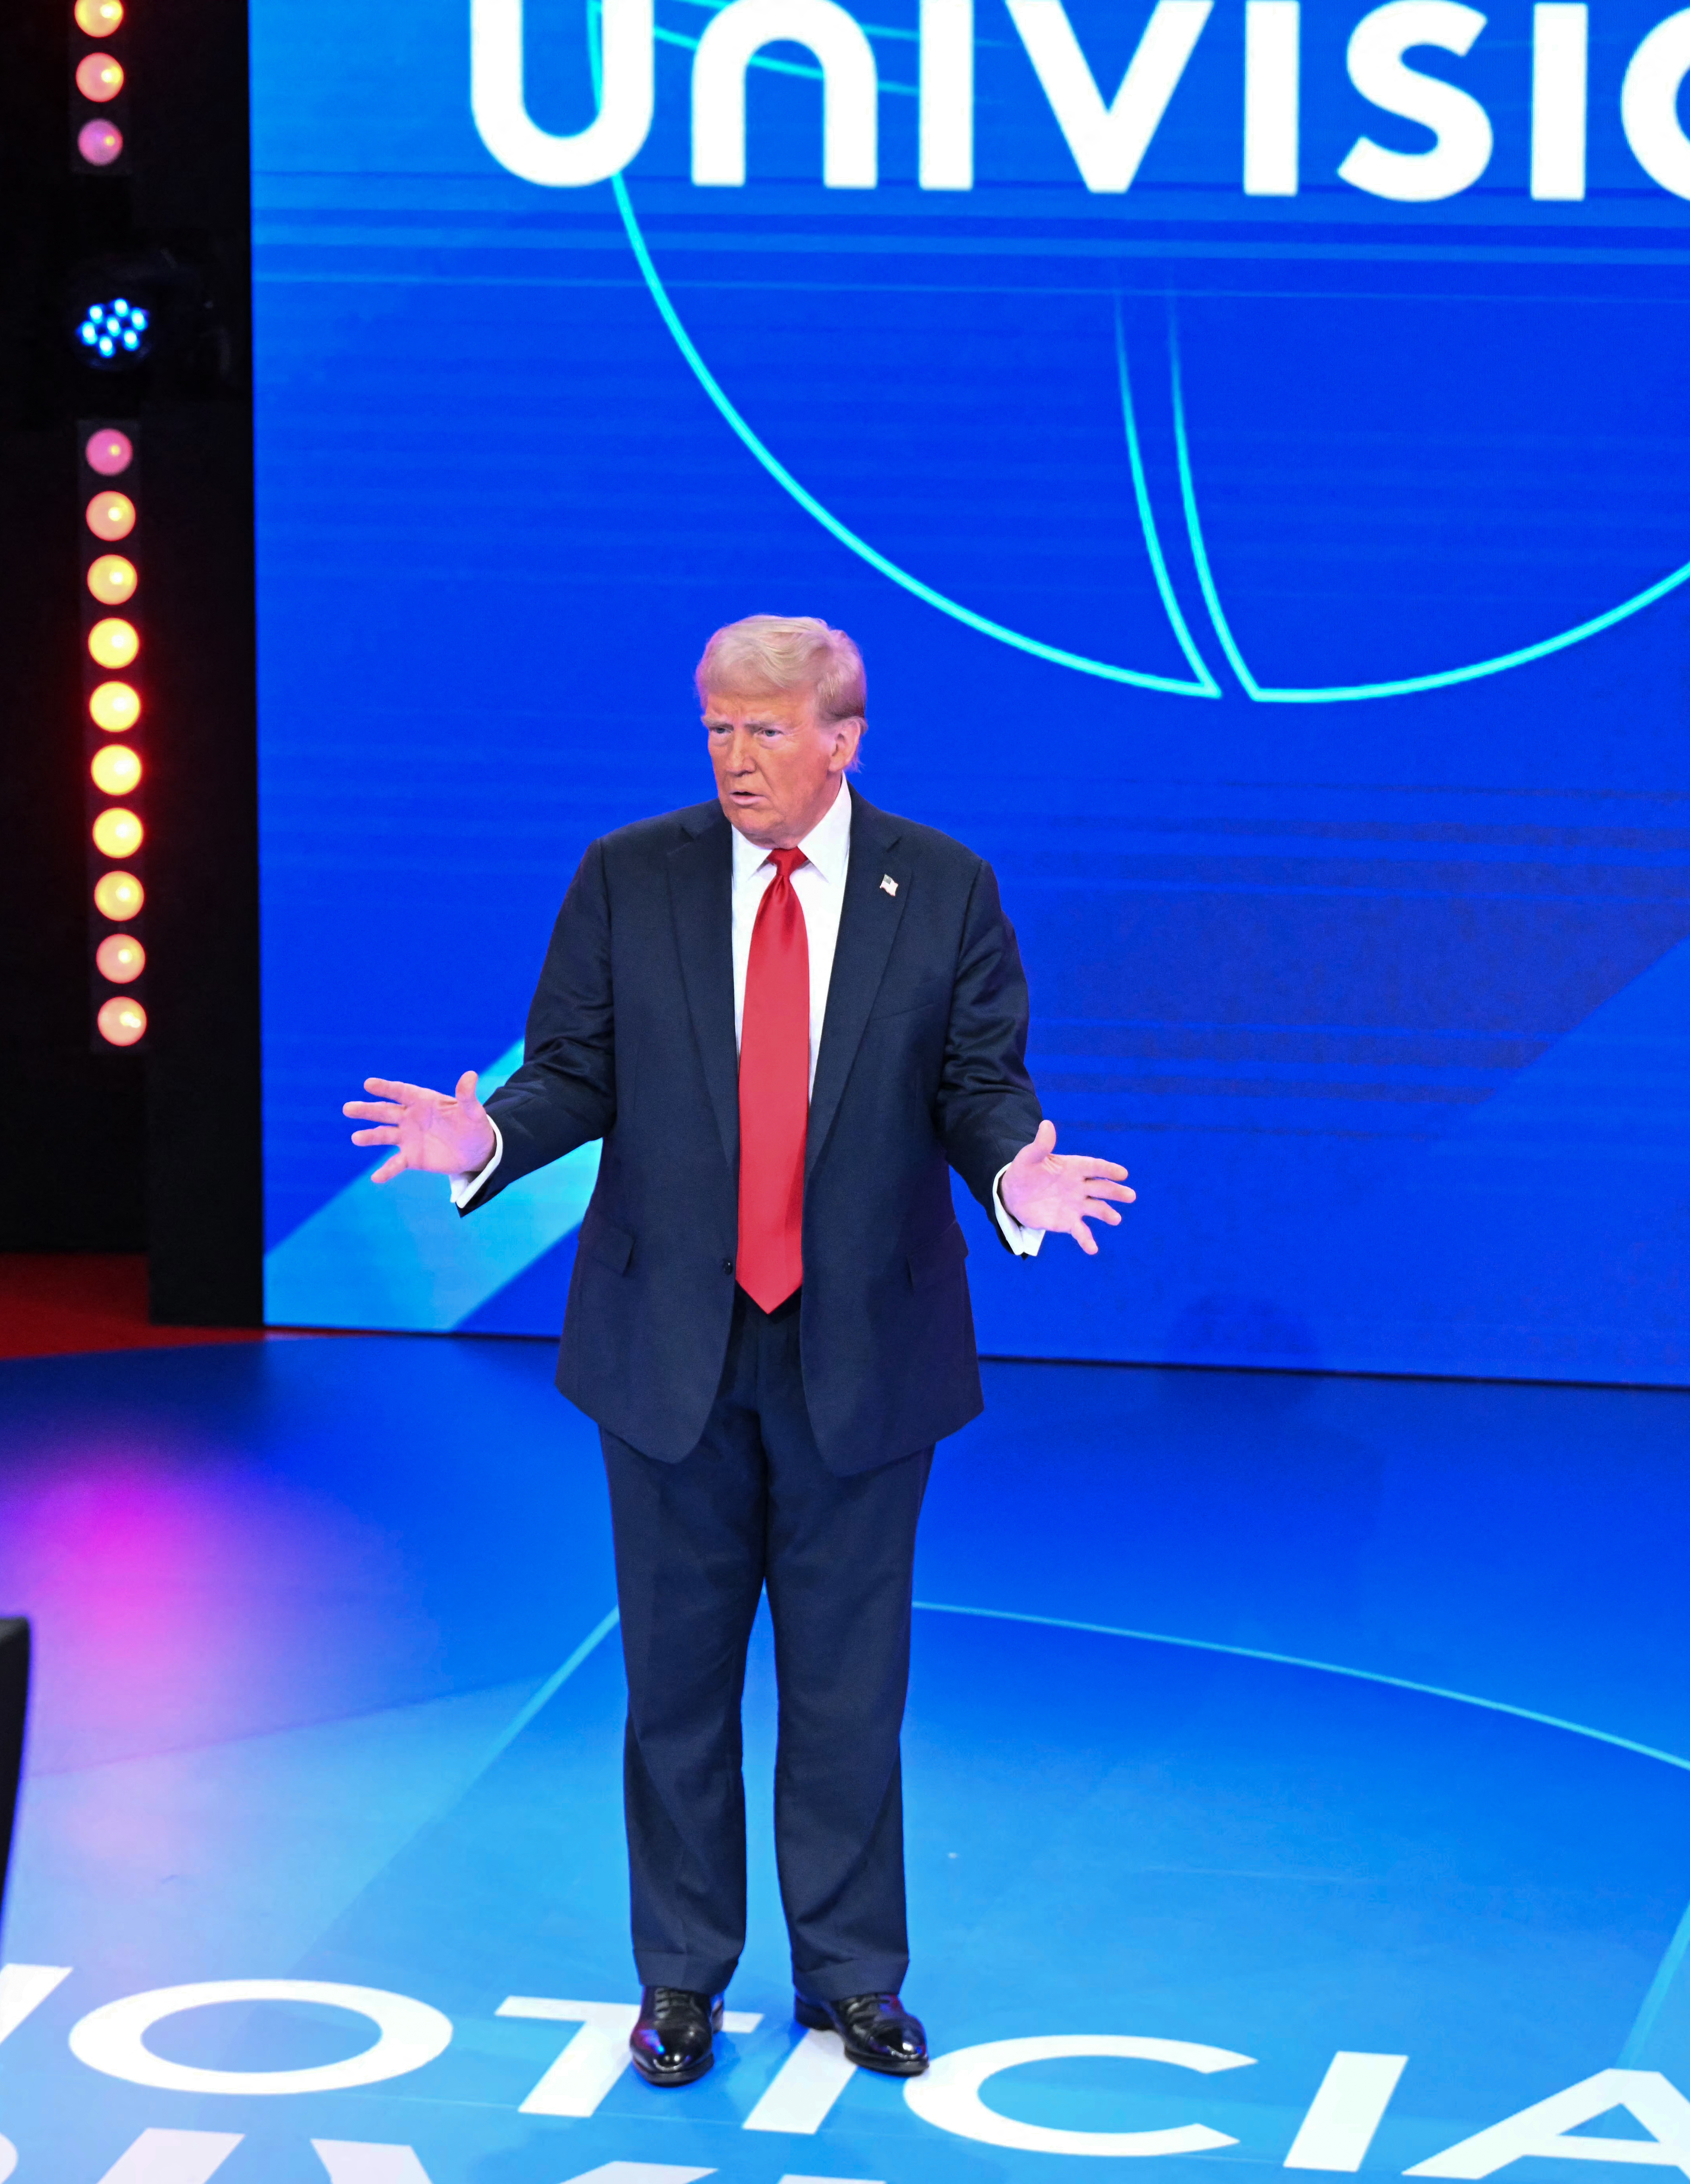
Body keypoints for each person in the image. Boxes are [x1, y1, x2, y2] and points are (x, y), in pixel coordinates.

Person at [345, 615, 1133, 2089]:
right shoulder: (628, 873)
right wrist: (485, 1138)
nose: (733, 759)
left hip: (864, 1349)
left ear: (843, 740)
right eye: (715, 727)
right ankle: (681, 1978)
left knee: (848, 1691)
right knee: (675, 1691)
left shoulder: (941, 885)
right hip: (669, 1351)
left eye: (764, 731)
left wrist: (1014, 1176)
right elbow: (574, 1070)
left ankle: (851, 1976)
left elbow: (978, 1083)